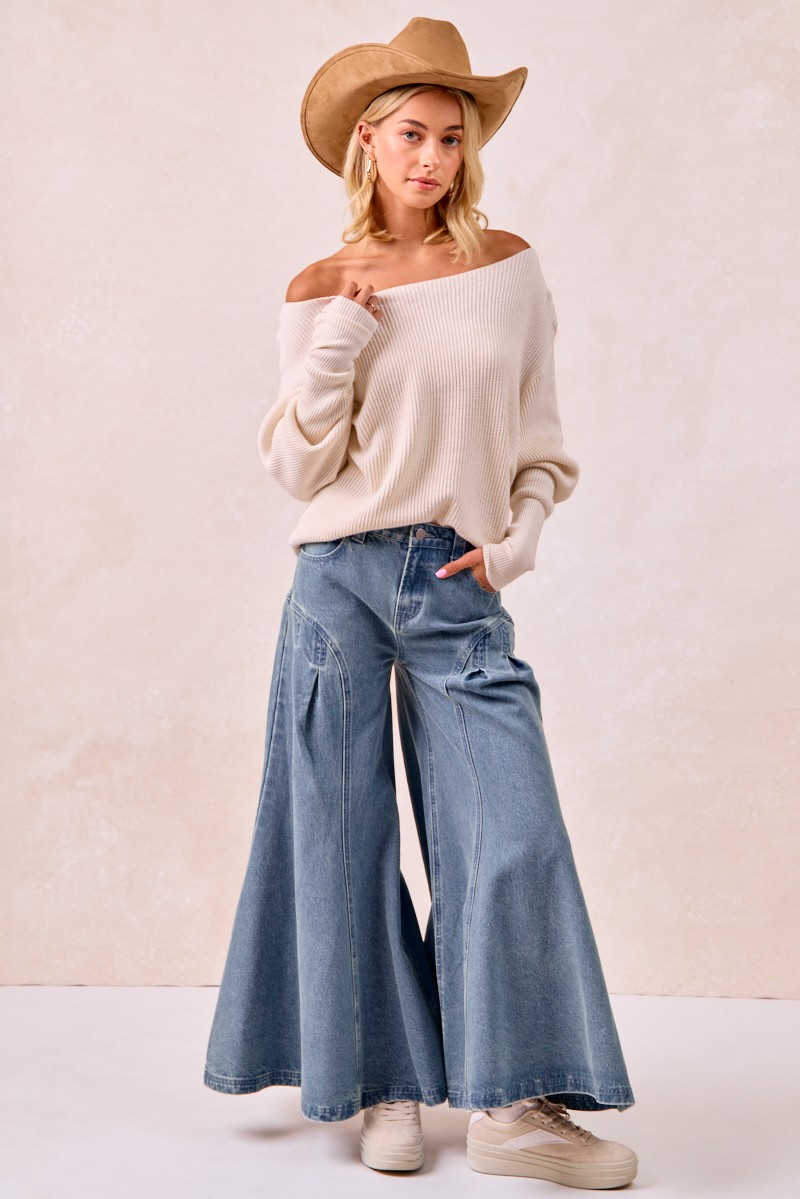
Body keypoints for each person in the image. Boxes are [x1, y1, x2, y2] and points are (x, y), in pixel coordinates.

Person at [203, 17, 638, 1190]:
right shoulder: (319, 287)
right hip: (335, 582)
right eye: (410, 134)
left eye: (450, 137)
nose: (432, 157)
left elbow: (539, 433)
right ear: (366, 141)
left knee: (512, 830)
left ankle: (511, 1103)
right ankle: (381, 1082)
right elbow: (299, 465)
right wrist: (340, 336)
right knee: (339, 838)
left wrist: (518, 542)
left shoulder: (506, 267)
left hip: (457, 581)